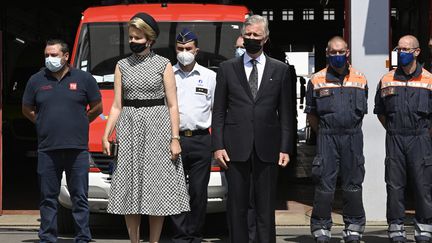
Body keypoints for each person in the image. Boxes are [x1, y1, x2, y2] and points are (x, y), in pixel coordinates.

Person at [101, 12, 190, 243]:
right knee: (130, 188)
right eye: (131, 37)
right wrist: (106, 133)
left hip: (158, 128)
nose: (133, 42)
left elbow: (172, 105)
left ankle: (154, 241)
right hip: (129, 127)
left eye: (138, 38)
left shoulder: (164, 65)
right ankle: (133, 241)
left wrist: (175, 138)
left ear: (149, 39)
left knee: (156, 188)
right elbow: (117, 105)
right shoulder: (122, 65)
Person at [212, 14, 294, 243]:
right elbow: (218, 111)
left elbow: (286, 114)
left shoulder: (280, 70)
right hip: (235, 147)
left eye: (255, 35)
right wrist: (217, 145)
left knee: (265, 207)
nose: (251, 38)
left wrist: (285, 148)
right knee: (237, 207)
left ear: (265, 38)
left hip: (267, 148)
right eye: (247, 34)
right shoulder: (228, 68)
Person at [22, 39, 102, 243]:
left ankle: (83, 237)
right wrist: (41, 122)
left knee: (79, 197)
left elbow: (97, 107)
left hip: (77, 150)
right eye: (47, 55)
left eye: (54, 55)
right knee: (48, 198)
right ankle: (47, 238)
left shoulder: (84, 79)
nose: (50, 59)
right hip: (48, 149)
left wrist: (82, 121)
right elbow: (27, 109)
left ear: (66, 56)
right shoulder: (36, 80)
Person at [305, 36, 367, 243]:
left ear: (348, 53)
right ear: (327, 53)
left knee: (353, 184)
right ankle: (321, 227)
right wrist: (324, 133)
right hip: (327, 137)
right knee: (325, 184)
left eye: (342, 52)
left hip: (353, 137)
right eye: (334, 52)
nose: (338, 56)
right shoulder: (316, 80)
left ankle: (354, 227)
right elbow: (311, 115)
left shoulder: (360, 79)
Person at [374, 35, 432, 243]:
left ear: (417, 52)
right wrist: (393, 130)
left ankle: (424, 228)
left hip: (420, 138)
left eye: (407, 49)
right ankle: (396, 227)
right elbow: (380, 111)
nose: (402, 53)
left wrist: (424, 134)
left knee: (422, 184)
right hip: (395, 137)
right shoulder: (387, 79)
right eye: (399, 49)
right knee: (394, 185)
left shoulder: (429, 79)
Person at [170, 28, 216, 243]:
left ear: (196, 50)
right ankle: (180, 235)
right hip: (174, 140)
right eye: (180, 48)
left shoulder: (210, 77)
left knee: (198, 191)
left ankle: (195, 234)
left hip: (200, 140)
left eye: (188, 48)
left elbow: (218, 112)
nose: (184, 52)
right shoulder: (167, 74)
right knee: (176, 191)